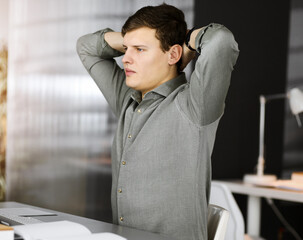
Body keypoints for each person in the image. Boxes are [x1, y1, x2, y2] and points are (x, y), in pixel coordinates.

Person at [76, 3, 239, 239]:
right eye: (125, 49)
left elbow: (221, 41)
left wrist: (188, 41)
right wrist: (133, 39)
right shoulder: (127, 100)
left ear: (173, 54)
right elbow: (86, 47)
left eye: (140, 50)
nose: (126, 59)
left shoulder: (195, 106)